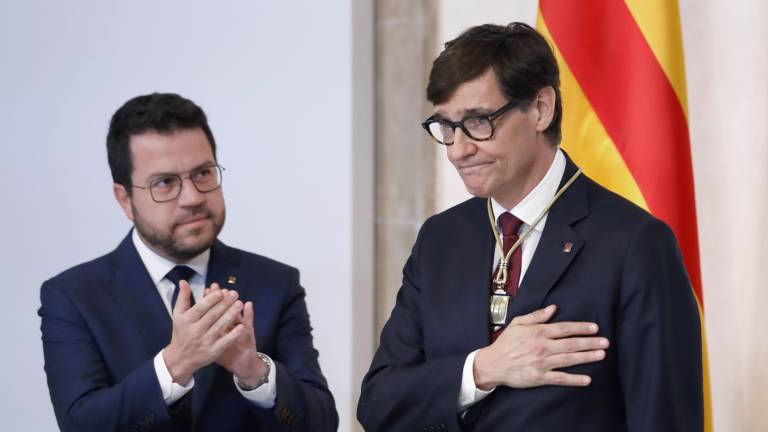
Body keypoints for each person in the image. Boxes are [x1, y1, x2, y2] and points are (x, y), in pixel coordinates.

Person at [358, 22, 702, 431]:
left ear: (541, 108)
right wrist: (480, 370)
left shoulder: (635, 244)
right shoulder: (439, 239)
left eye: (479, 121)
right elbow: (380, 403)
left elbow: (665, 420)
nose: (458, 150)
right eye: (447, 126)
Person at [39, 93, 338, 431]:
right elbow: (82, 425)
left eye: (203, 174)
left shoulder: (275, 282)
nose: (193, 197)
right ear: (125, 198)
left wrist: (255, 373)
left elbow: (322, 423)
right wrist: (175, 364)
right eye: (165, 183)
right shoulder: (74, 296)